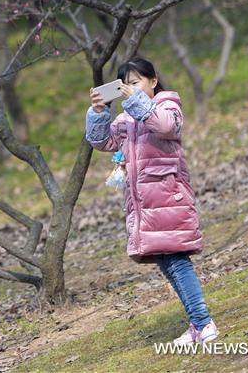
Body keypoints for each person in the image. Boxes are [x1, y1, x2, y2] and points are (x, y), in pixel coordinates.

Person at [84, 56, 219, 345]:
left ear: (153, 81)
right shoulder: (125, 120)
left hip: (168, 197)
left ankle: (204, 323)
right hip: (144, 205)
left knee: (178, 261)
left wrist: (134, 102)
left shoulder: (168, 106)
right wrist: (98, 111)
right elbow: (102, 142)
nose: (130, 89)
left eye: (136, 83)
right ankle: (198, 324)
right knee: (167, 263)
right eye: (125, 85)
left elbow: (166, 126)